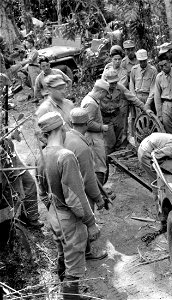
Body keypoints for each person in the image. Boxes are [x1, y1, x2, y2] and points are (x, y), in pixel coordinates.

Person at [36, 111, 101, 299]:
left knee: (62, 255)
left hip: (53, 214)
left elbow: (42, 192)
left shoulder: (41, 155)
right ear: (62, 128)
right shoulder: (66, 156)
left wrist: (52, 210)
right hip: (69, 219)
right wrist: (90, 223)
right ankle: (69, 296)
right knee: (74, 267)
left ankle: (64, 292)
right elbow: (75, 197)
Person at [64, 108, 108, 261]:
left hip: (66, 187)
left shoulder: (66, 136)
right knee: (85, 219)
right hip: (78, 190)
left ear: (71, 123)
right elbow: (89, 180)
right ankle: (87, 252)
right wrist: (98, 198)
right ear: (86, 124)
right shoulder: (82, 147)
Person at [102, 69, 153, 154]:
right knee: (109, 142)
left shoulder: (120, 87)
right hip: (106, 119)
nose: (114, 85)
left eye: (115, 82)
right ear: (106, 81)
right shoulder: (101, 89)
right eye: (111, 83)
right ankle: (108, 161)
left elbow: (132, 98)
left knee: (120, 140)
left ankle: (117, 159)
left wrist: (145, 109)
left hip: (117, 117)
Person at [81, 79, 109, 184]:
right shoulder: (91, 103)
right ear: (101, 92)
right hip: (93, 139)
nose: (105, 96)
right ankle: (99, 195)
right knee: (99, 167)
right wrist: (102, 127)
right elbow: (88, 123)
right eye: (105, 93)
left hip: (93, 138)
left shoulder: (89, 99)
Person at [154, 58, 172, 133]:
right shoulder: (159, 77)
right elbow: (157, 96)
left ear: (170, 63)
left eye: (165, 65)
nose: (163, 67)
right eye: (161, 66)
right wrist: (159, 113)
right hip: (166, 105)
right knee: (167, 128)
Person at [129, 49, 157, 120]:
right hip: (136, 97)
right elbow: (131, 85)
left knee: (148, 119)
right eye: (141, 61)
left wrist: (148, 103)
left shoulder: (153, 70)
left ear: (147, 59)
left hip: (148, 98)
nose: (143, 63)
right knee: (136, 119)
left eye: (144, 61)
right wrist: (135, 99)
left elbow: (153, 88)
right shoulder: (134, 69)